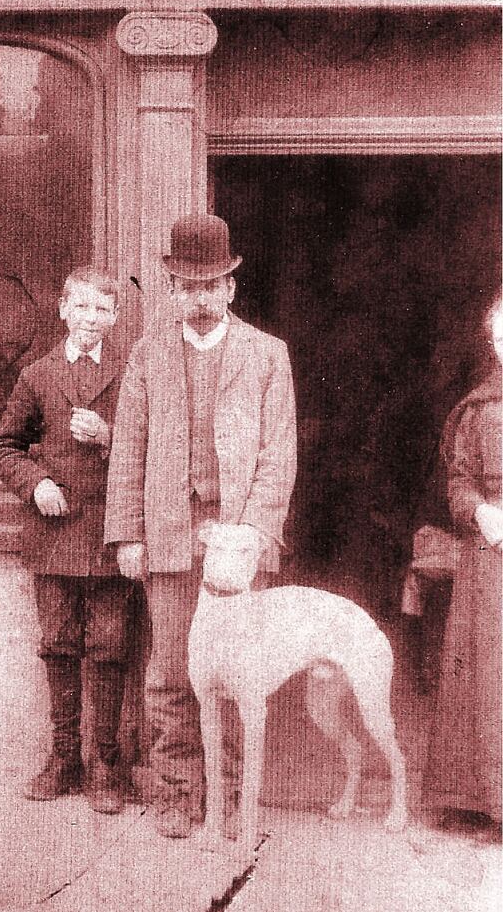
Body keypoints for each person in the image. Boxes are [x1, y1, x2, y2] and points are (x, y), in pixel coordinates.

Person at [104, 213, 297, 838]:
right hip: (168, 534)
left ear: (231, 288)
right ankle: (183, 792)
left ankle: (235, 792)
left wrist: (258, 535)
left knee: (238, 671)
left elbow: (278, 453)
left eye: (211, 285)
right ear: (170, 288)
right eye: (188, 286)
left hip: (237, 542)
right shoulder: (148, 354)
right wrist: (128, 534)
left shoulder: (268, 355)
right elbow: (128, 449)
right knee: (169, 671)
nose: (200, 297)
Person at [0, 267, 132, 814]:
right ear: (63, 310)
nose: (92, 319)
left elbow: (150, 450)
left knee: (111, 648)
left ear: (115, 318)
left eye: (103, 310)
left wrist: (110, 436)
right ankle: (63, 758)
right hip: (54, 536)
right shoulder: (38, 376)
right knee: (59, 646)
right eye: (83, 307)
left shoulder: (130, 373)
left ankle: (105, 765)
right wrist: (37, 483)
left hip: (110, 534)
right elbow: (3, 446)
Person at [422, 296, 502, 837]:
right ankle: (485, 799)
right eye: (500, 338)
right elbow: (458, 482)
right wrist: (479, 510)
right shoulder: (482, 409)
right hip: (491, 554)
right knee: (489, 673)